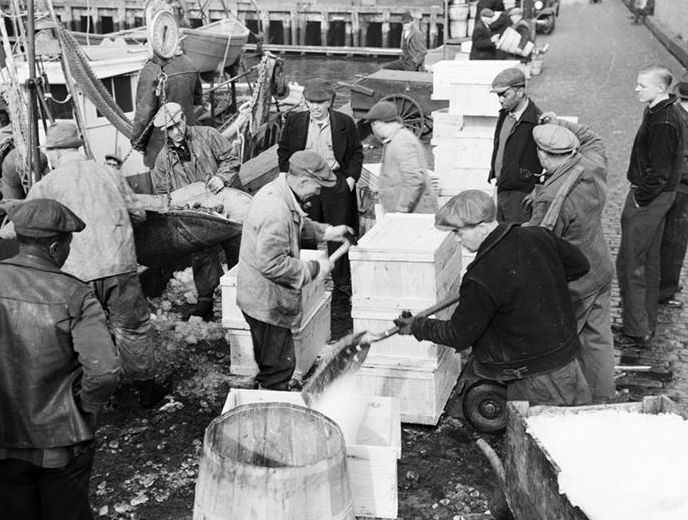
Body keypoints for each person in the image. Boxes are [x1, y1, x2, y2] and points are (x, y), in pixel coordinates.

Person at [394, 190, 592, 406]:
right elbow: (580, 265)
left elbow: (458, 335)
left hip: (533, 375)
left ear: (482, 226)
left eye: (459, 232)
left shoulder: (480, 276)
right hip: (569, 357)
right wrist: (542, 282)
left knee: (538, 435)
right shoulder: (537, 235)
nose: (457, 239)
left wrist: (417, 326)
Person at [21, 122, 164, 404]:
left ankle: (95, 395)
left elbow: (26, 226)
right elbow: (138, 214)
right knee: (131, 327)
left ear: (55, 153)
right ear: (78, 148)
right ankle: (146, 391)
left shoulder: (45, 185)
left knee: (86, 332)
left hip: (76, 273)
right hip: (118, 266)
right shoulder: (109, 173)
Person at [0, 198, 121, 519]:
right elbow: (104, 371)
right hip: (61, 442)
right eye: (67, 244)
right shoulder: (74, 294)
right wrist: (84, 408)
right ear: (55, 247)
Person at [237, 150, 353, 390]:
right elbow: (272, 264)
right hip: (266, 303)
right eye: (317, 187)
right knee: (279, 366)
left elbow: (296, 223)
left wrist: (325, 231)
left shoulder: (282, 194)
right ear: (302, 181)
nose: (318, 193)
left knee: (272, 360)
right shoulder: (274, 209)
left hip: (264, 297)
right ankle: (272, 403)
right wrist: (314, 268)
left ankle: (268, 388)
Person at [527, 120, 615, 403]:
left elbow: (538, 245)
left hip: (577, 284)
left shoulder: (552, 198)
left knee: (559, 344)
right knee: (598, 338)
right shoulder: (590, 163)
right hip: (600, 268)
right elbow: (594, 137)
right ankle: (602, 399)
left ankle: (569, 403)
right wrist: (559, 124)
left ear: (542, 155)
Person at [277, 79, 362, 337]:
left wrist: (349, 179)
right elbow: (283, 152)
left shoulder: (344, 123)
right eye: (311, 102)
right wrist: (288, 181)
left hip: (335, 183)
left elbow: (357, 153)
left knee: (338, 236)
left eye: (320, 103)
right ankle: (308, 284)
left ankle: (342, 290)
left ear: (330, 103)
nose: (315, 108)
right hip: (306, 185)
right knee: (306, 234)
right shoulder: (295, 122)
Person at [151, 101, 242, 320]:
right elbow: (163, 192)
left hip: (225, 205)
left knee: (237, 249)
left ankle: (242, 293)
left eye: (178, 124)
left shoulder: (208, 135)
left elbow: (232, 159)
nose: (176, 131)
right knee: (201, 254)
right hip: (196, 215)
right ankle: (206, 300)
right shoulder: (163, 159)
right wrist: (178, 208)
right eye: (170, 130)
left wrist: (222, 177)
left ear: (184, 118)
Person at [616, 66, 683, 347]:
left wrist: (640, 197)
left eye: (642, 85)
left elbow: (660, 171)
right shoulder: (660, 111)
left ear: (660, 88)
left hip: (650, 198)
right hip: (658, 197)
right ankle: (643, 324)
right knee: (649, 262)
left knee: (632, 262)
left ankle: (637, 330)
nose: (637, 89)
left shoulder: (664, 120)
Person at [131, 45, 202, 169]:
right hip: (189, 144)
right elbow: (198, 103)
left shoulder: (151, 70)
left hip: (160, 149)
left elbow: (144, 115)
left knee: (163, 186)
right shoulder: (190, 64)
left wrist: (138, 143)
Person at [362, 100, 438, 215]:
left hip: (413, 215)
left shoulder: (402, 142)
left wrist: (402, 209)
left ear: (376, 124)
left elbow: (414, 178)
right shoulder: (395, 140)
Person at [488, 67, 543, 223]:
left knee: (517, 242)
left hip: (522, 195)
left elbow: (556, 160)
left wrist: (539, 190)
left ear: (520, 92)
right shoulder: (504, 114)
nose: (500, 99)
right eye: (498, 95)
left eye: (505, 94)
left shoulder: (536, 121)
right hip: (502, 187)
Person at [658, 75, 688, 309]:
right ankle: (665, 290)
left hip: (676, 185)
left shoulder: (675, 112)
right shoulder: (679, 118)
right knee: (674, 240)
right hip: (680, 187)